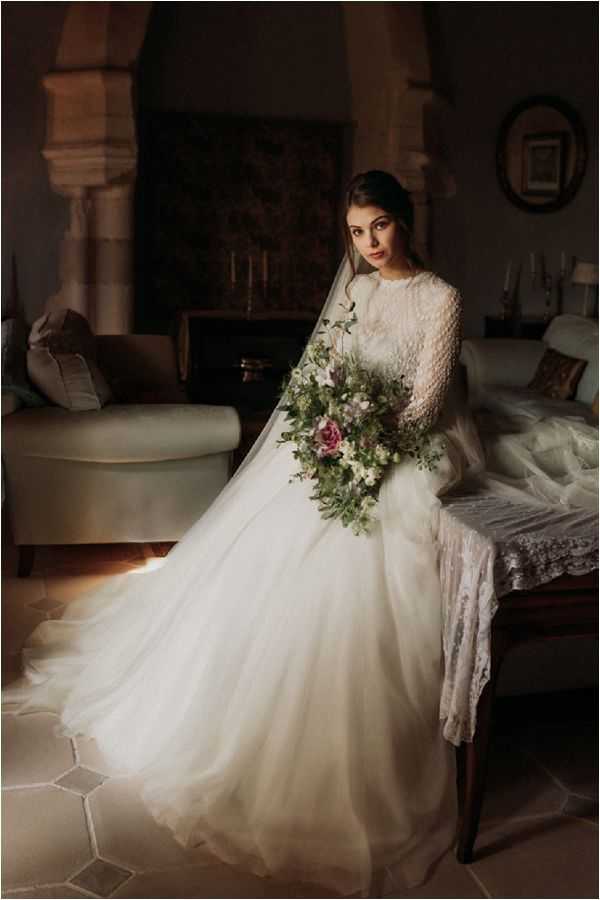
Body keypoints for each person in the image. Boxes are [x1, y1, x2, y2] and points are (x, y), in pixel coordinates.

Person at [5, 171, 481, 898]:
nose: (369, 244)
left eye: (379, 226)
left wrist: (366, 443)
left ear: (405, 221)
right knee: (273, 532)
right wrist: (330, 433)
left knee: (379, 540)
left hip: (403, 447)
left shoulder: (440, 299)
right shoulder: (354, 291)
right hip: (342, 435)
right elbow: (327, 369)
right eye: (356, 232)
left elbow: (424, 406)